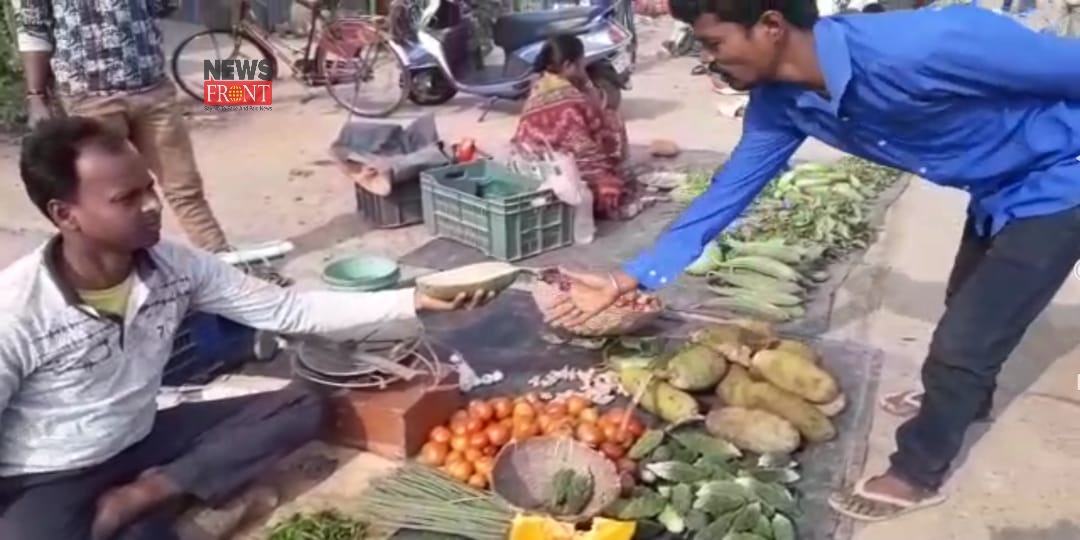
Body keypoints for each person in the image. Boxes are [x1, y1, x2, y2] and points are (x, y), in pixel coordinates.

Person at [544, 0, 1080, 522]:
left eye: (713, 43)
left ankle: (917, 471)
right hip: (995, 188)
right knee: (964, 301)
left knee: (963, 341)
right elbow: (729, 191)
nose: (709, 60)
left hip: (1062, 181)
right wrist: (627, 276)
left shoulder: (928, 45)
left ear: (770, 25)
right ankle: (968, 399)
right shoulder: (782, 103)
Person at [0, 116, 493, 540]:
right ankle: (152, 505)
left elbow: (288, 312)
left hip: (141, 436)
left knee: (301, 404)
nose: (153, 205)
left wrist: (416, 299)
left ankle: (144, 495)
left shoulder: (175, 266)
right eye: (126, 198)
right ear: (66, 215)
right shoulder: (18, 308)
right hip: (51, 472)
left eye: (149, 187)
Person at [15, 0, 231, 255]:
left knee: (184, 184)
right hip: (91, 97)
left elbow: (164, 6)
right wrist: (36, 96)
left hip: (153, 90)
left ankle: (220, 257)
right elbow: (33, 29)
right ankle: (121, 270)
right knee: (109, 195)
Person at [512, 35, 633, 220]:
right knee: (613, 120)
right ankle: (609, 185)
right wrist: (586, 82)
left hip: (531, 172)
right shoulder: (571, 97)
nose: (584, 64)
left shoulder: (539, 86)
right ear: (569, 65)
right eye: (581, 60)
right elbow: (593, 129)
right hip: (564, 174)